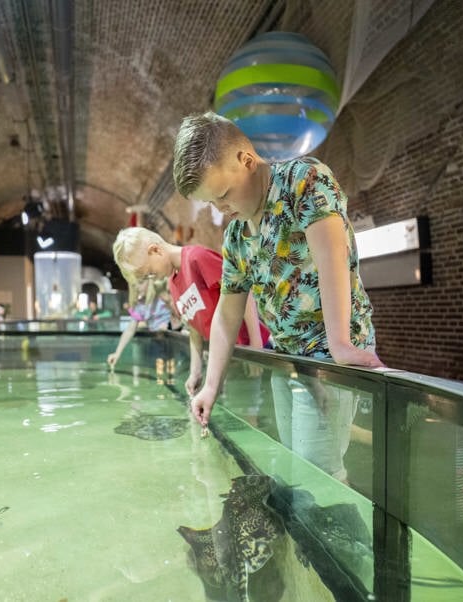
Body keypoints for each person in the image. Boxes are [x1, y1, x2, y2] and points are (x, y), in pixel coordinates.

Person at [172, 111, 385, 427]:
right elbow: (228, 314)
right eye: (211, 204)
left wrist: (340, 344)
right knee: (297, 461)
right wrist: (210, 386)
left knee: (320, 463)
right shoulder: (236, 235)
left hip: (328, 350)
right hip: (285, 357)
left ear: (246, 160)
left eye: (223, 195)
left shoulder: (303, 180)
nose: (222, 209)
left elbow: (331, 256)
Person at [112, 226, 270, 394]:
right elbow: (194, 328)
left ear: (156, 250)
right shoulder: (173, 285)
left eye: (150, 272)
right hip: (229, 358)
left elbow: (243, 292)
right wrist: (195, 371)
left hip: (251, 349)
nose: (154, 278)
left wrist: (255, 345)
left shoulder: (197, 258)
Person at [106, 277, 175, 371]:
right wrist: (117, 353)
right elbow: (130, 330)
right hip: (157, 343)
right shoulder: (140, 305)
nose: (137, 287)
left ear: (150, 282)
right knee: (158, 371)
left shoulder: (162, 294)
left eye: (141, 282)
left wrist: (170, 324)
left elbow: (178, 312)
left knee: (170, 369)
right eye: (134, 284)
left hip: (174, 341)